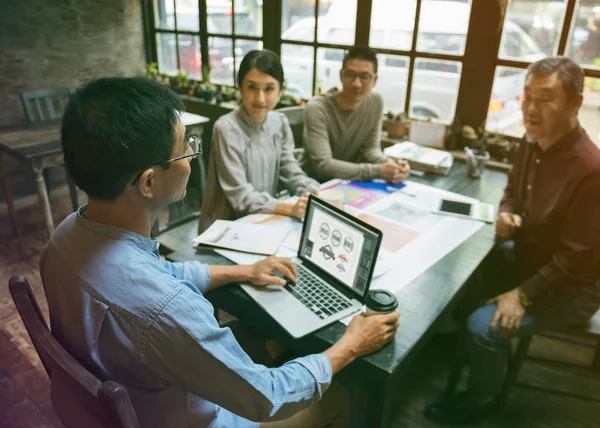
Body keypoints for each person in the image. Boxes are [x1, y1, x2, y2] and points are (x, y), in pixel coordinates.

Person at [41, 76, 399, 428]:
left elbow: (158, 274)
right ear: (149, 182)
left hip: (133, 399)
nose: (192, 157)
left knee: (266, 344)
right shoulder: (167, 310)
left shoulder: (64, 237)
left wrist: (243, 271)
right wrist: (353, 343)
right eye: (185, 148)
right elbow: (268, 397)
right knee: (343, 396)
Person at [424, 57, 600, 424]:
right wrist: (507, 212)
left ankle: (481, 400)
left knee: (482, 328)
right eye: (527, 97)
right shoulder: (531, 142)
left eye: (546, 99)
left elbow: (579, 260)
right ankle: (454, 344)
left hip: (572, 287)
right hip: (529, 257)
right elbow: (511, 192)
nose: (531, 108)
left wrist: (522, 295)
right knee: (460, 260)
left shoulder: (590, 170)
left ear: (575, 104)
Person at [199, 49, 319, 233]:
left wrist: (315, 192)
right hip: (224, 229)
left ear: (280, 90)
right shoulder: (225, 128)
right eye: (252, 87)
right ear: (240, 88)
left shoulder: (280, 122)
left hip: (263, 222)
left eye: (269, 88)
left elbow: (290, 170)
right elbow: (241, 196)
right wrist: (290, 209)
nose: (260, 98)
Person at [301, 45, 410, 183]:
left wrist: (393, 166)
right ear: (341, 75)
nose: (356, 84)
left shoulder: (375, 101)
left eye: (364, 77)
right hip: (315, 184)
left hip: (352, 182)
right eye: (350, 75)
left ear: (374, 80)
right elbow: (323, 165)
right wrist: (379, 171)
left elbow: (370, 149)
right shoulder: (317, 108)